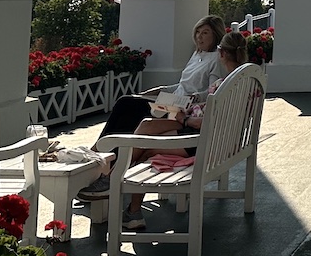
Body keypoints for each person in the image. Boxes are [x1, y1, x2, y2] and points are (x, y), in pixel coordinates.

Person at [77, 14, 226, 200]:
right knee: (127, 102)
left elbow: (211, 91)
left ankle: (101, 156)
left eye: (205, 33)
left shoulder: (216, 59)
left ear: (216, 35)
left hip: (182, 109)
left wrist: (193, 97)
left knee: (129, 108)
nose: (199, 37)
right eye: (198, 32)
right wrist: (157, 91)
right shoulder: (197, 55)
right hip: (172, 102)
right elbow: (181, 85)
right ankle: (102, 154)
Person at [117, 31, 252, 231]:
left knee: (146, 147)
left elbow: (204, 124)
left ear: (221, 53)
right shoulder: (246, 82)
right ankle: (118, 188)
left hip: (204, 144)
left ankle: (123, 197)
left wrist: (184, 117)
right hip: (223, 142)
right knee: (147, 126)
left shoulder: (223, 88)